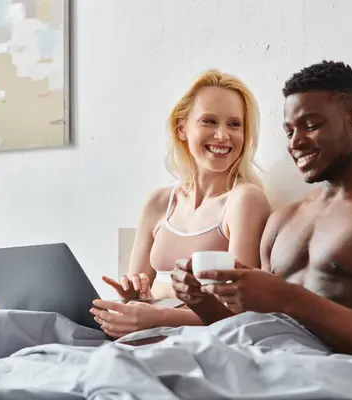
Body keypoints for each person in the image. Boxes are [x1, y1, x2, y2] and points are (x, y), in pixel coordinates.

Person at [171, 61, 352, 382]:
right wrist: (199, 300)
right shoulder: (283, 220)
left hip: (336, 374)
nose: (295, 142)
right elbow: (251, 327)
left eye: (311, 125)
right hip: (259, 364)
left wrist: (289, 298)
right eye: (289, 131)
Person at [90, 69, 272, 338]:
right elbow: (141, 293)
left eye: (234, 124)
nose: (222, 135)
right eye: (209, 121)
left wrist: (159, 317)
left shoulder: (245, 200)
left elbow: (240, 312)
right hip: (148, 335)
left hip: (199, 340)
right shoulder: (158, 203)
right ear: (182, 128)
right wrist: (134, 297)